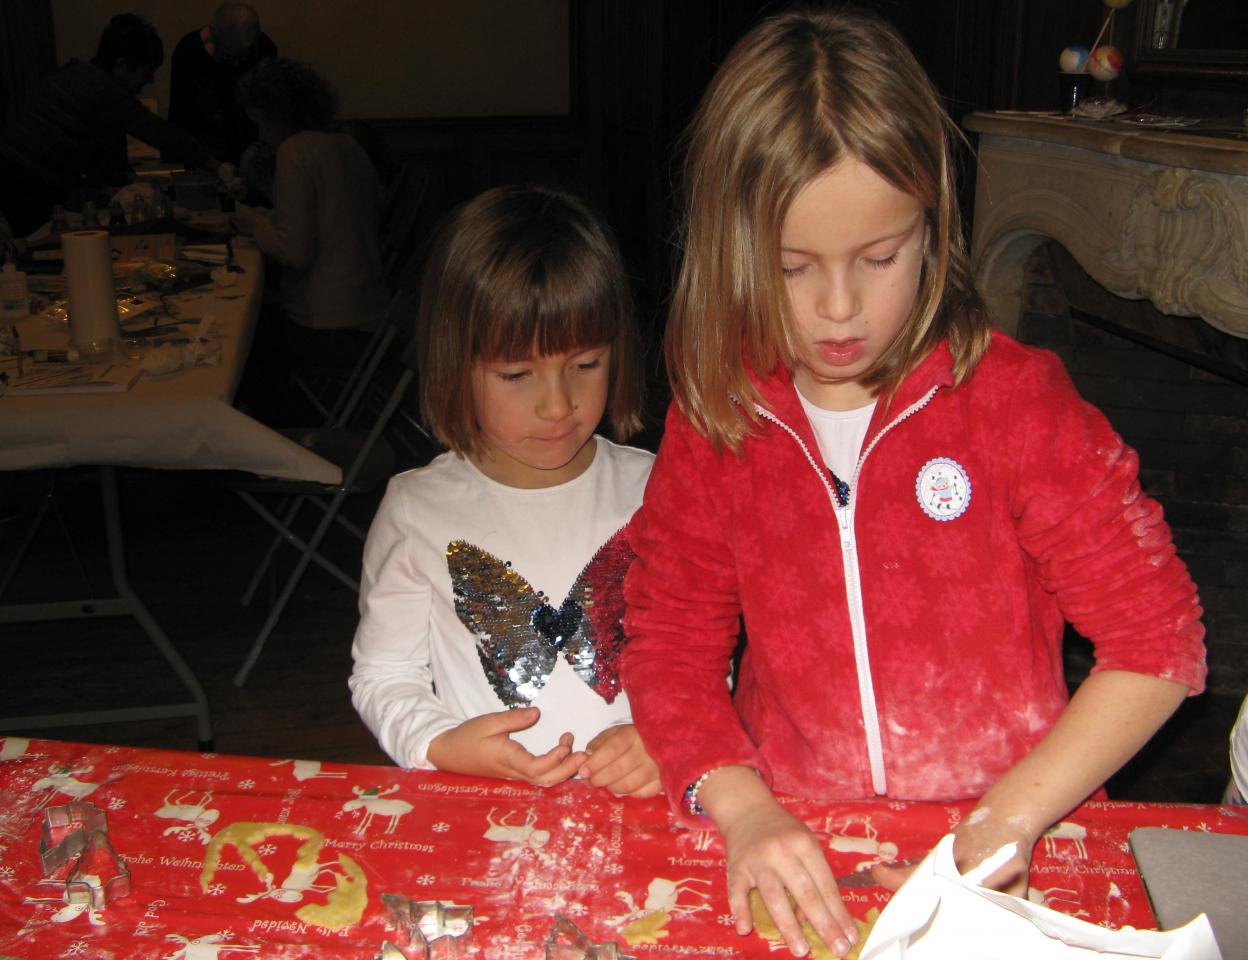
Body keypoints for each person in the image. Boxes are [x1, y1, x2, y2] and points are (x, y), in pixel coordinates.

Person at [619, 7, 1207, 959]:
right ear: (730, 251)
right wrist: (741, 805)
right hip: (798, 834)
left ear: (932, 226)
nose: (839, 309)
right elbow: (669, 643)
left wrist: (1005, 819)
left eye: (880, 258)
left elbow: (1159, 642)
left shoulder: (1015, 405)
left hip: (1016, 844)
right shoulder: (717, 418)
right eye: (791, 267)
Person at [350, 185, 660, 797]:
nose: (557, 405)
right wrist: (439, 744)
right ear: (453, 364)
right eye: (516, 374)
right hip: (487, 812)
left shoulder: (659, 488)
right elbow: (385, 674)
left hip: (639, 808)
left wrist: (665, 736)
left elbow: (698, 657)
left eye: (587, 364)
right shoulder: (417, 510)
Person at [233, 58, 389, 421]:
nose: (259, 135)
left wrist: (254, 221)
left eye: (258, 122)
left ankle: (289, 438)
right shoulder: (348, 146)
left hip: (332, 327)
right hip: (372, 320)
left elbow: (296, 251)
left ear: (273, 113)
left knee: (240, 344)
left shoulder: (295, 152)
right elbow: (330, 223)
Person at [0, 13, 213, 238]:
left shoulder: (75, 73)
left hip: (5, 166)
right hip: (25, 176)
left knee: (39, 239)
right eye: (146, 71)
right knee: (42, 244)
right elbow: (160, 133)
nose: (150, 80)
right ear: (122, 65)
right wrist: (215, 165)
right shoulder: (104, 90)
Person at [168, 2, 277, 163]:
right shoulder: (189, 51)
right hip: (203, 155)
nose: (237, 64)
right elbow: (180, 112)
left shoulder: (264, 49)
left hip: (251, 152)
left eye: (244, 56)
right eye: (230, 56)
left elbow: (270, 108)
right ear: (213, 40)